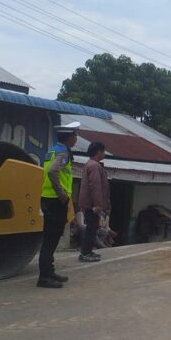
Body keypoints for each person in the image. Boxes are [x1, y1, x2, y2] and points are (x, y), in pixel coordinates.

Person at [37, 122, 80, 288]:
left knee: (51, 237)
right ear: (70, 138)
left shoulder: (53, 149)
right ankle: (44, 277)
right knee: (51, 238)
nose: (76, 138)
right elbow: (53, 171)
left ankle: (49, 271)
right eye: (75, 135)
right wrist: (61, 192)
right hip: (56, 200)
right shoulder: (63, 153)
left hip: (48, 198)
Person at [77, 141, 110, 262]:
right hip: (91, 204)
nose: (104, 154)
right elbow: (95, 186)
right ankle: (85, 253)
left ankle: (88, 251)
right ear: (98, 152)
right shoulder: (95, 166)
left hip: (89, 203)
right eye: (103, 151)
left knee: (93, 227)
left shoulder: (90, 164)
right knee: (91, 228)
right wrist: (98, 204)